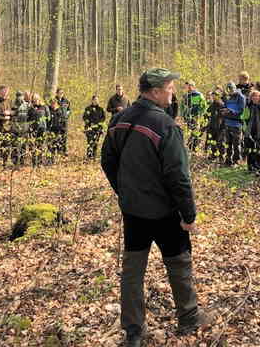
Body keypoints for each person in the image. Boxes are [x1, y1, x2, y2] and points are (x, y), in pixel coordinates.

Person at [101, 68, 211, 346]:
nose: (172, 93)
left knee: (133, 271)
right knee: (179, 263)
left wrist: (125, 192)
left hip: (133, 211)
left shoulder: (119, 119)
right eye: (169, 88)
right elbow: (178, 176)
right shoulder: (165, 126)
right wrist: (188, 214)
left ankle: (134, 331)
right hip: (165, 213)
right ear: (155, 91)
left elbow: (108, 162)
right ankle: (189, 319)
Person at [241, 90, 260, 175]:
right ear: (251, 98)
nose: (255, 98)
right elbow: (243, 119)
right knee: (250, 150)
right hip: (249, 132)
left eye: (257, 96)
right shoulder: (247, 107)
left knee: (259, 151)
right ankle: (251, 167)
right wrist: (245, 129)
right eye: (253, 96)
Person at [221, 81, 246, 166]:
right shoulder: (229, 97)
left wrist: (230, 111)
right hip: (227, 123)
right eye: (228, 89)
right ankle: (228, 160)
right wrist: (224, 110)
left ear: (234, 88)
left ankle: (236, 161)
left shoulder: (241, 97)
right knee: (228, 143)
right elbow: (225, 106)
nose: (230, 90)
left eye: (231, 88)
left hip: (236, 124)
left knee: (236, 144)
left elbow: (241, 111)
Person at [182, 81, 207, 152]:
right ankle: (190, 147)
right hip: (187, 117)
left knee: (196, 132)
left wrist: (200, 114)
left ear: (194, 86)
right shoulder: (186, 95)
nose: (189, 87)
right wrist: (183, 115)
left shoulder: (199, 95)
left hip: (196, 117)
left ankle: (194, 148)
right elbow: (182, 106)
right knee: (189, 131)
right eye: (188, 86)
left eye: (191, 86)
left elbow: (204, 105)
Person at [11, 91, 32, 166]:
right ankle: (15, 161)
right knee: (15, 145)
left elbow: (31, 114)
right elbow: (11, 115)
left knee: (23, 145)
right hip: (15, 127)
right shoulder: (12, 104)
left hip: (24, 128)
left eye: (21, 96)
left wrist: (30, 106)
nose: (19, 97)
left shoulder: (27, 104)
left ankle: (22, 161)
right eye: (18, 96)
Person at [28, 93, 50, 165]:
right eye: (34, 99)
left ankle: (40, 162)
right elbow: (28, 118)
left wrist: (46, 127)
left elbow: (48, 118)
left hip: (42, 129)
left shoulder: (44, 107)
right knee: (34, 146)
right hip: (33, 130)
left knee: (41, 145)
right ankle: (34, 162)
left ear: (39, 99)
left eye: (37, 99)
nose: (35, 100)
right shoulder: (31, 108)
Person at [204, 90, 226, 161]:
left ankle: (221, 157)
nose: (213, 97)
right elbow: (207, 114)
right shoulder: (212, 105)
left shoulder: (222, 105)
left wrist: (223, 127)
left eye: (215, 95)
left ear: (218, 96)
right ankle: (213, 155)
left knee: (220, 142)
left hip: (220, 127)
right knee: (213, 142)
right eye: (213, 95)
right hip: (212, 126)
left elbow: (224, 117)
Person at [83, 95, 106, 159]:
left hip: (98, 128)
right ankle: (89, 156)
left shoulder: (101, 109)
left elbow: (103, 118)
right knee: (90, 141)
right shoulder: (88, 108)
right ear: (92, 100)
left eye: (97, 100)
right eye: (94, 100)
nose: (96, 101)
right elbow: (85, 117)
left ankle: (94, 155)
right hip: (89, 128)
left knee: (96, 142)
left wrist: (99, 124)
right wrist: (89, 123)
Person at [55, 88, 72, 156]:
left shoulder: (66, 101)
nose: (61, 94)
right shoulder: (54, 100)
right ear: (57, 93)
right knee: (57, 136)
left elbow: (69, 110)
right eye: (59, 93)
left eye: (62, 93)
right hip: (57, 122)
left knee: (64, 136)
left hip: (64, 122)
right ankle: (58, 151)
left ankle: (64, 151)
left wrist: (67, 116)